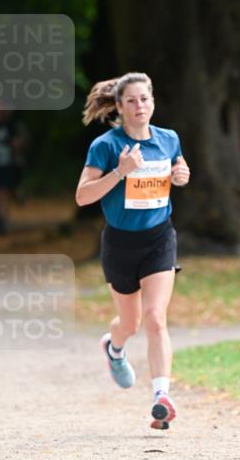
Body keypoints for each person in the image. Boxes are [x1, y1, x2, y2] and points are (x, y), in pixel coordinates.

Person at [75, 72, 190, 429]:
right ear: (120, 107)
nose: (139, 106)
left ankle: (161, 397)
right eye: (131, 101)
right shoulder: (106, 146)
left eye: (144, 99)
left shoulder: (168, 139)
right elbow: (82, 196)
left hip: (159, 239)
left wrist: (181, 173)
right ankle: (114, 347)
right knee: (130, 323)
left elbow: (178, 167)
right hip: (120, 244)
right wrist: (119, 173)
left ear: (152, 101)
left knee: (156, 318)